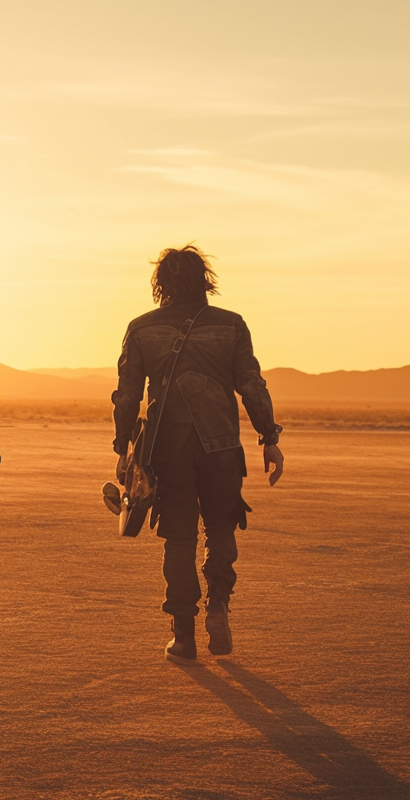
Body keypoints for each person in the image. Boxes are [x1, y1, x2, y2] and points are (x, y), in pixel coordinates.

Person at [112, 246, 284, 662]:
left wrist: (122, 449)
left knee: (179, 539)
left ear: (161, 285)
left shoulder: (140, 329)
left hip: (166, 450)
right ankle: (219, 604)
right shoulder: (231, 325)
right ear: (205, 279)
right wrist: (270, 437)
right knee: (221, 530)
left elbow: (128, 397)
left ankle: (184, 637)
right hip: (222, 446)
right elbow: (252, 386)